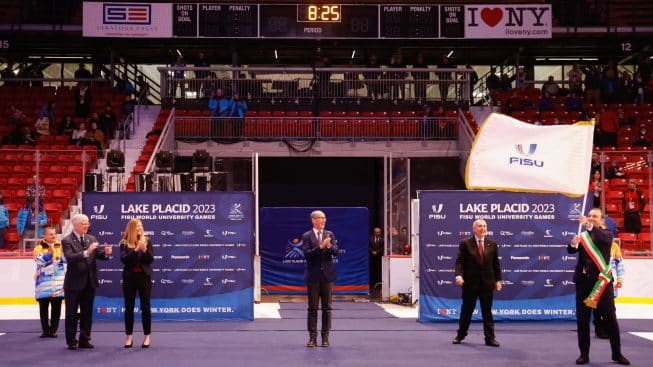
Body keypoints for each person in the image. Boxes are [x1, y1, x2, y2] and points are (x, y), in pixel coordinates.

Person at [568, 208, 630, 365]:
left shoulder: (607, 234)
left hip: (602, 283)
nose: (591, 218)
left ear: (602, 220)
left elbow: (601, 237)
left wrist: (588, 225)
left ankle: (617, 354)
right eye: (589, 216)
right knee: (583, 321)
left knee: (610, 320)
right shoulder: (583, 236)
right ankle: (584, 354)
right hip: (583, 283)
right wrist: (573, 244)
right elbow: (570, 251)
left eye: (594, 216)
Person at [62, 213, 112, 350]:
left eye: (88, 223)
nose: (87, 226)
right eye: (85, 223)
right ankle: (71, 341)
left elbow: (98, 255)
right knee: (71, 313)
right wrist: (86, 252)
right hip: (73, 284)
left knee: (87, 313)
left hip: (89, 283)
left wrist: (106, 253)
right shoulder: (67, 240)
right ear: (76, 225)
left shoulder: (91, 238)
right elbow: (70, 257)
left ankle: (84, 339)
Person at [452, 219, 502, 347]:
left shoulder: (492, 244)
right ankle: (460, 335)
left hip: (487, 284)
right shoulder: (466, 243)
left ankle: (490, 338)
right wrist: (458, 275)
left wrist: (498, 280)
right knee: (467, 311)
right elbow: (459, 261)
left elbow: (496, 264)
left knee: (487, 312)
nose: (483, 228)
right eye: (480, 226)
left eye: (484, 226)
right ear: (474, 228)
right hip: (470, 284)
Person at [301, 210, 338, 348]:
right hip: (313, 276)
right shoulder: (306, 236)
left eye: (324, 218)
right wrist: (320, 247)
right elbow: (307, 255)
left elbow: (336, 251)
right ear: (313, 220)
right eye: (320, 218)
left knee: (327, 308)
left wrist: (329, 246)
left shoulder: (330, 234)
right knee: (313, 308)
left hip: (327, 276)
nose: (323, 220)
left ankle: (325, 338)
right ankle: (312, 338)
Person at [120, 218, 154, 349]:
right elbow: (124, 260)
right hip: (129, 278)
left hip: (144, 278)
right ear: (132, 228)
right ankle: (129, 337)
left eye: (141, 226)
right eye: (138, 226)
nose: (140, 228)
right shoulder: (124, 243)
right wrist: (135, 250)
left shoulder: (148, 240)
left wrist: (144, 250)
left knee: (145, 307)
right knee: (129, 308)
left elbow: (150, 259)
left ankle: (147, 337)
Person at [33, 226, 66, 338]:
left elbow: (66, 260)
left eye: (54, 234)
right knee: (43, 309)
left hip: (58, 284)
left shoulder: (60, 246)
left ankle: (53, 330)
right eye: (51, 234)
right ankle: (45, 330)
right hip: (43, 284)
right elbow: (38, 260)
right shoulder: (38, 247)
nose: (53, 236)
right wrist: (49, 254)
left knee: (56, 309)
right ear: (45, 236)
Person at [368, 227, 384, 297]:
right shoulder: (370, 239)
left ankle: (378, 287)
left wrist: (377, 252)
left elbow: (383, 247)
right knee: (372, 272)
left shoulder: (382, 240)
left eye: (379, 232)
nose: (377, 233)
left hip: (379, 258)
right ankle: (371, 287)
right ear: (374, 232)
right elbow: (368, 246)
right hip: (371, 258)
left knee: (378, 272)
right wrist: (372, 251)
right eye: (376, 232)